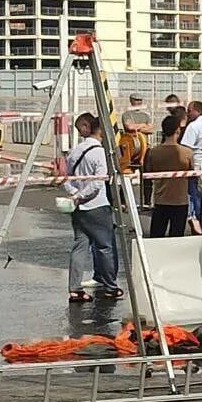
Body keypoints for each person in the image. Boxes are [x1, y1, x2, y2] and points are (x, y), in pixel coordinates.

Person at [60, 113, 120, 303]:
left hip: (78, 208)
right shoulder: (99, 151)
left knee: (79, 247)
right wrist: (82, 195)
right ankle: (110, 286)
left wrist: (74, 195)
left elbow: (67, 178)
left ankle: (75, 289)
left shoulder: (75, 151)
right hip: (97, 206)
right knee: (105, 247)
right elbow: (99, 182)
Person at [144, 114, 192, 238]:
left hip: (160, 200)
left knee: (156, 237)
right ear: (178, 130)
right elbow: (192, 173)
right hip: (180, 200)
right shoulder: (187, 152)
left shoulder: (153, 152)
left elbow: (149, 174)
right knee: (176, 238)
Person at [181, 100, 202, 234]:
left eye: (189, 111)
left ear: (197, 111)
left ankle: (197, 224)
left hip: (196, 166)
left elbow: (186, 148)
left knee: (196, 198)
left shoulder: (193, 126)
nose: (188, 114)